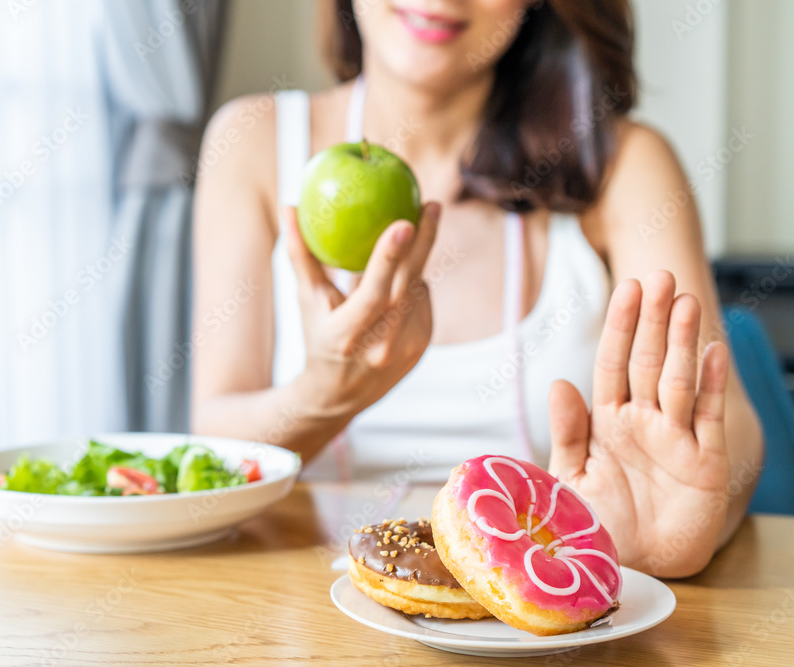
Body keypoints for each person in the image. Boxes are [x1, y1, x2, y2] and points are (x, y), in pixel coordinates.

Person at [190, 0, 762, 577]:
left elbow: (728, 429)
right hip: (291, 614)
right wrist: (323, 394)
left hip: (536, 626)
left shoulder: (622, 165)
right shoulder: (254, 141)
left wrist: (673, 532)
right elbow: (210, 448)